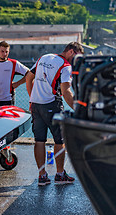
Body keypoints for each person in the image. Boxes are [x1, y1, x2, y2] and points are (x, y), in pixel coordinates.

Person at [25, 41, 84, 186]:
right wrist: (78, 109)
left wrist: (32, 98)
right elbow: (66, 92)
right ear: (71, 52)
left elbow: (28, 77)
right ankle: (59, 174)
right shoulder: (66, 66)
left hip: (36, 106)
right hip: (52, 105)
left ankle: (42, 176)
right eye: (77, 57)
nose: (77, 61)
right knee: (60, 140)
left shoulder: (44, 57)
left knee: (39, 140)